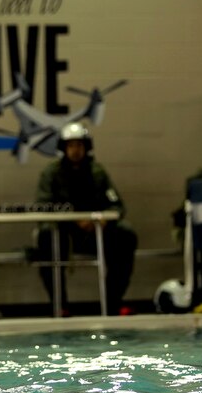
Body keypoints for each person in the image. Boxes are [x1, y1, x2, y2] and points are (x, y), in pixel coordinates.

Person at [34, 123, 138, 316]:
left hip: (95, 232)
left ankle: (112, 303)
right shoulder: (52, 173)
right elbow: (43, 206)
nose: (75, 150)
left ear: (86, 147)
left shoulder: (97, 172)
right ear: (64, 148)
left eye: (79, 145)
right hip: (63, 233)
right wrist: (73, 220)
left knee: (126, 235)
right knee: (46, 237)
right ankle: (60, 305)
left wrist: (103, 220)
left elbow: (117, 205)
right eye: (71, 145)